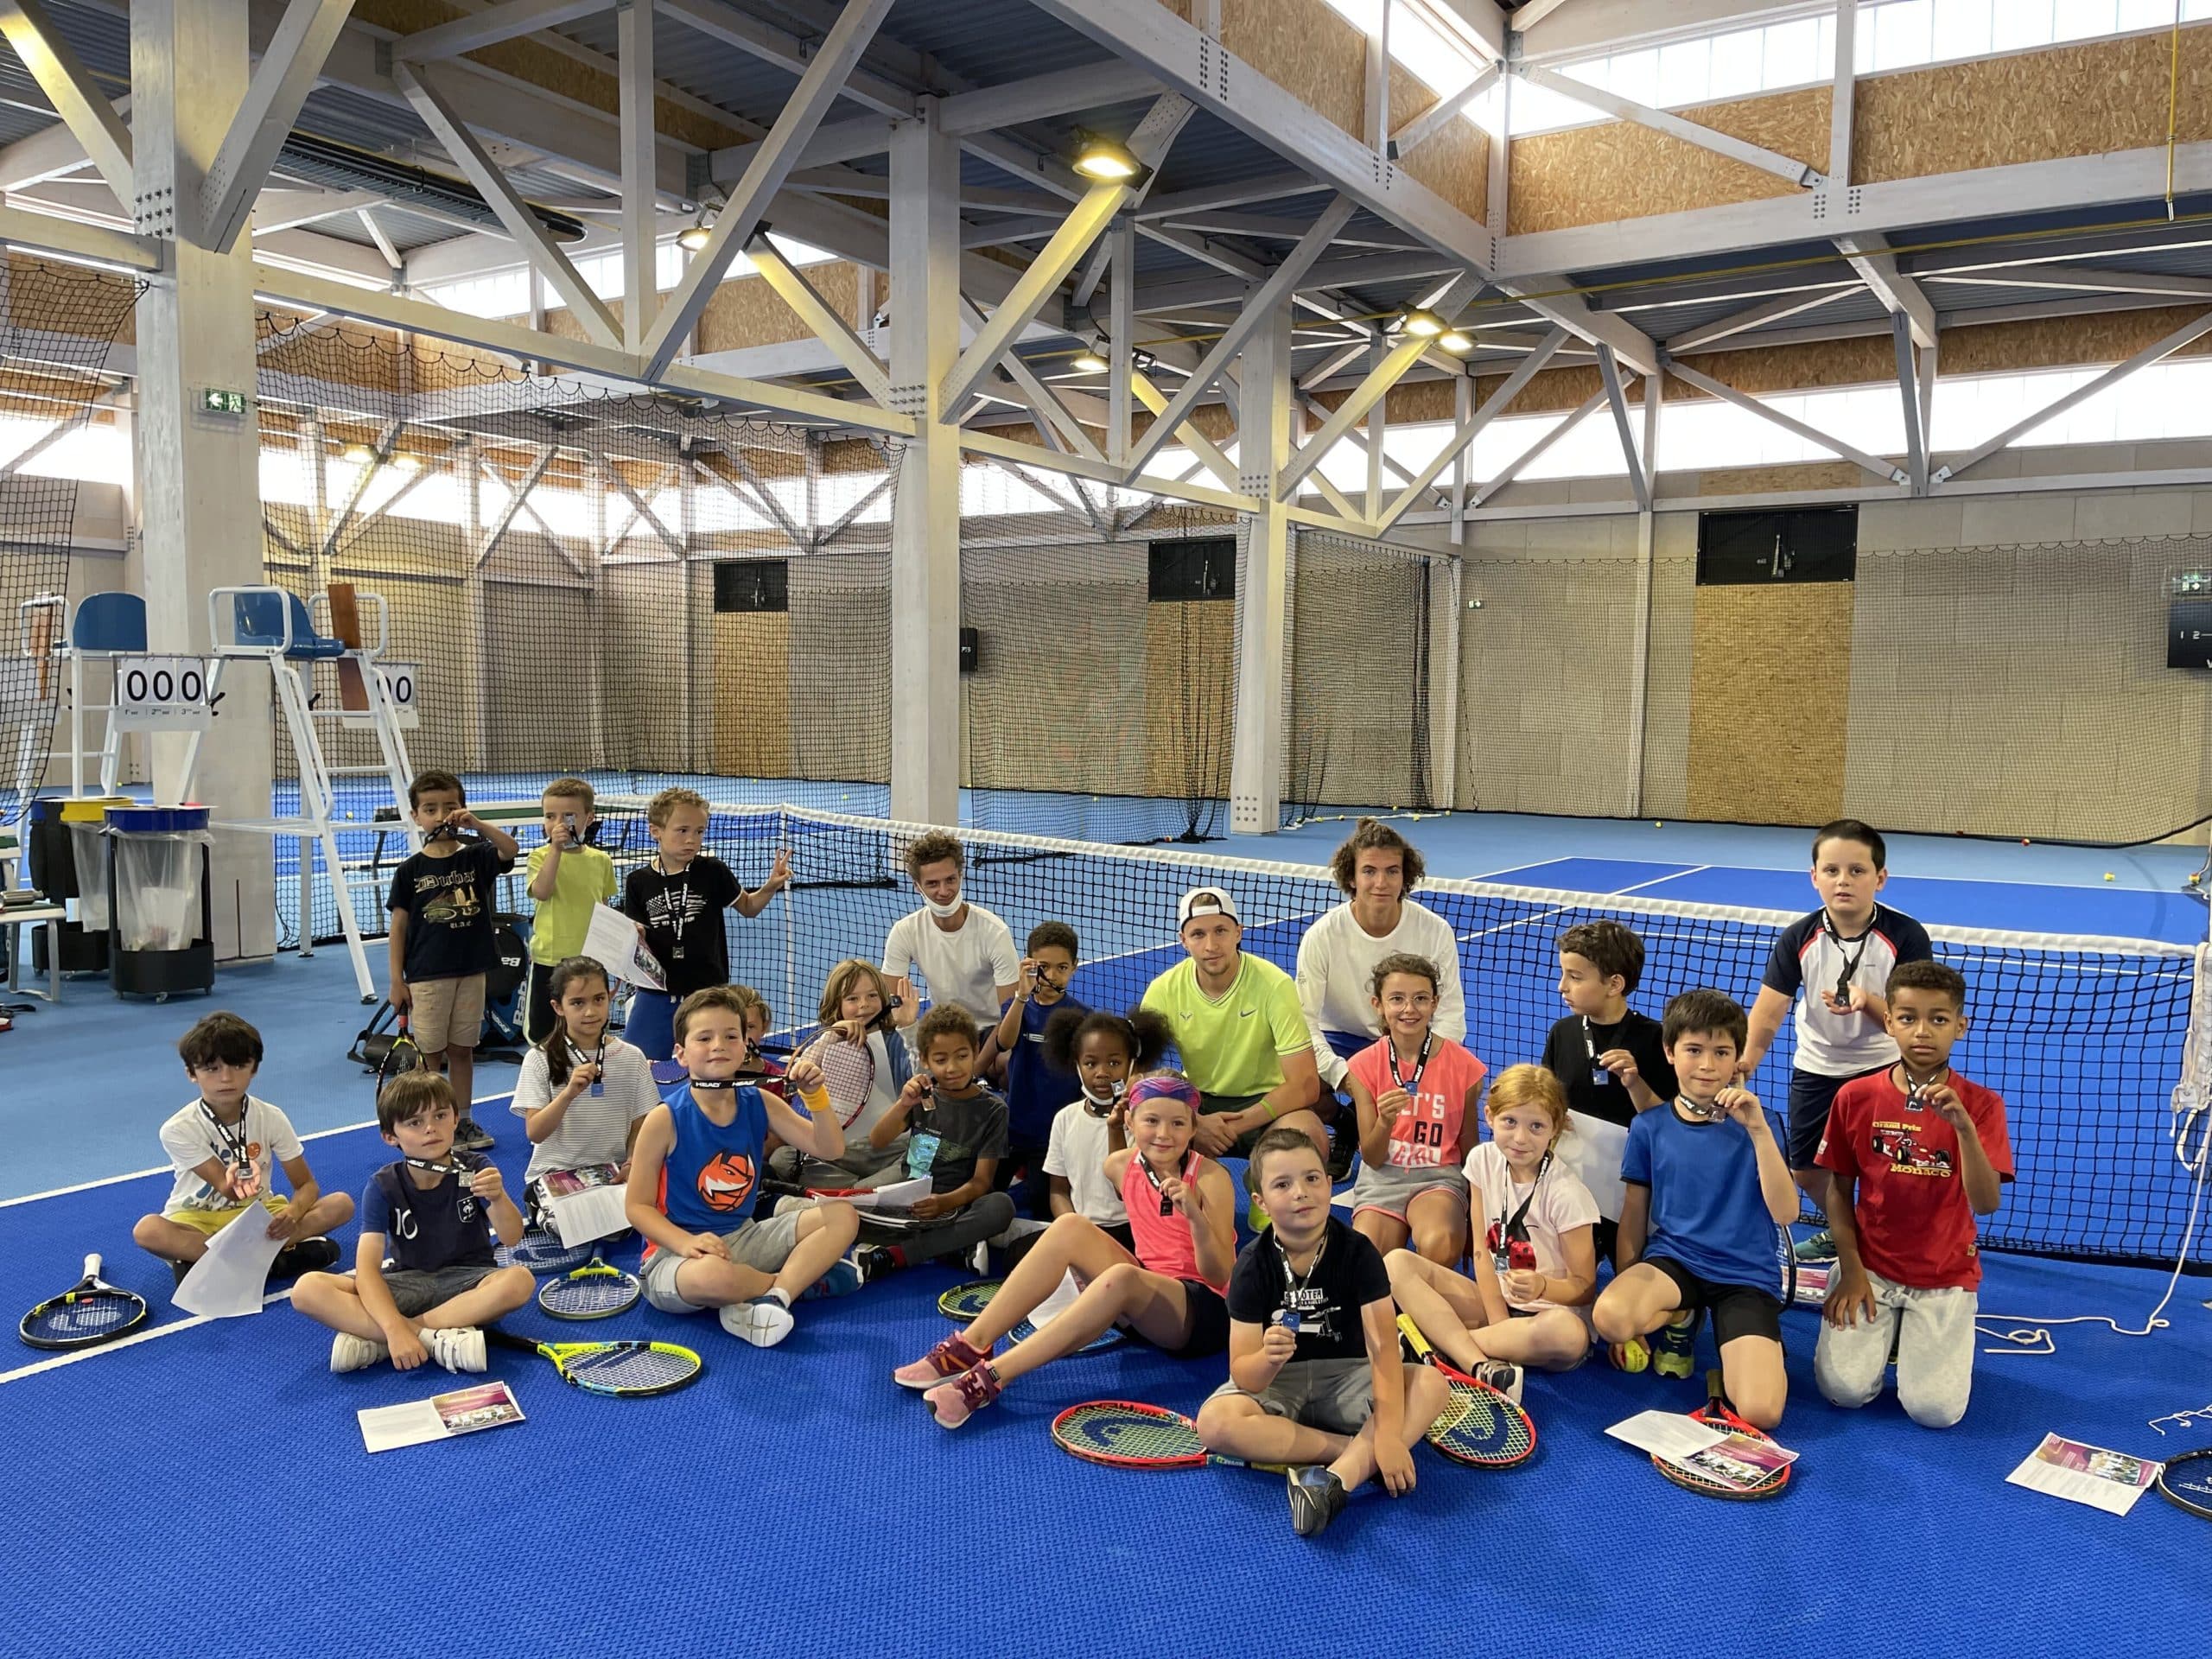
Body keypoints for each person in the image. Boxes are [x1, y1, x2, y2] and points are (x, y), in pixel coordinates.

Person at [896, 1073, 1238, 1427]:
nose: (1164, 1134)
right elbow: (1119, 1160)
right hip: (1147, 1301)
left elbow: (1221, 1276)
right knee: (1070, 1226)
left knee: (1120, 1277)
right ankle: (970, 1345)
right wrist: (1112, 1127)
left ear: (1194, 1128)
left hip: (1203, 1315)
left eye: (1178, 1123)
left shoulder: (1212, 1179)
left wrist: (1195, 1217)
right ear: (1131, 1122)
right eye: (1151, 1121)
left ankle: (994, 1376)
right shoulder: (1120, 1166)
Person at [1195, 1127, 1451, 1539]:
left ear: (1331, 1185)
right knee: (1215, 1424)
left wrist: (1386, 1431)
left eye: (1312, 1178)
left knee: (1431, 1384)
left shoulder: (1359, 1252)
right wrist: (1267, 1358)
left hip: (1348, 1377)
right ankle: (1357, 1454)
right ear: (1260, 1201)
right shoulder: (1251, 1266)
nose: (1301, 1192)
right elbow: (1244, 1375)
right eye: (1283, 1184)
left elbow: (1384, 1347)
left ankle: (1334, 1482)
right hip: (1279, 1385)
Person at [1815, 961, 2012, 1429]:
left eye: (1939, 1019)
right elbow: (1838, 1191)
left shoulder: (1983, 1106)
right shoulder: (1855, 1098)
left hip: (1945, 1274)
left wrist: (1962, 1126)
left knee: (1935, 1413)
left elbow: (1985, 1203)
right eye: (1908, 1018)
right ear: (1889, 1023)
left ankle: (1916, 1330)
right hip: (1872, 1268)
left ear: (1960, 1026)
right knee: (1843, 1392)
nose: (1922, 1031)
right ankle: (1885, 1325)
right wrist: (1852, 1271)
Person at [1592, 989, 1798, 1429]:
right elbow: (1634, 1213)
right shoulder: (1649, 1126)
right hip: (1675, 1263)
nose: (1707, 1064)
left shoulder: (1766, 1125)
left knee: (1762, 1413)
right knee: (1610, 1318)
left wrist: (1759, 1132)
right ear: (1670, 1052)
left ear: (1737, 1057)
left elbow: (1786, 1214)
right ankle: (1683, 1314)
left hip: (1745, 1277)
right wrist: (1632, 1300)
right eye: (1694, 1050)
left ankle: (1738, 1344)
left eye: (1721, 1052)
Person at [1738, 819, 1933, 1260]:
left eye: (1857, 871)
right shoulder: (1798, 938)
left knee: (1887, 1164)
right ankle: (1848, 1227)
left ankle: (1890, 1237)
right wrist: (1745, 1064)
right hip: (1817, 1067)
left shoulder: (1906, 936)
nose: (1843, 880)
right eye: (1831, 871)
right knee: (1806, 1169)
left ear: (1880, 879)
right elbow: (1769, 1012)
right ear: (1815, 878)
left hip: (1885, 1068)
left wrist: (1866, 1001)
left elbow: (1913, 1021)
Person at [624, 987, 860, 1347]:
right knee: (714, 1278)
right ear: (681, 1055)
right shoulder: (664, 1119)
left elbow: (830, 1147)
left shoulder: (760, 1101)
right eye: (705, 1037)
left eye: (731, 1036)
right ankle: (798, 1281)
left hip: (744, 1236)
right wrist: (687, 1244)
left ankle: (776, 1296)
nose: (719, 1044)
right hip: (675, 1257)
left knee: (843, 1215)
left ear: (744, 1046)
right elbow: (636, 1207)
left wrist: (815, 1096)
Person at [291, 1071, 533, 1375]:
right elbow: (366, 1270)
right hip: (407, 1282)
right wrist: (394, 1329)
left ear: (456, 1119)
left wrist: (499, 1199)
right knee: (306, 1289)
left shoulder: (474, 1168)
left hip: (469, 1283)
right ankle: (433, 1341)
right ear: (390, 1136)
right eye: (414, 1122)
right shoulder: (383, 1185)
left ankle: (385, 1340)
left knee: (519, 1281)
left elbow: (511, 1237)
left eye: (440, 1115)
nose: (430, 1128)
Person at [1385, 1064, 1599, 1398]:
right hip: (1492, 1304)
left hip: (1548, 1317)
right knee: (1397, 1263)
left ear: (1554, 1129)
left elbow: (1584, 1289)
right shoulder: (1482, 1160)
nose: (1520, 1138)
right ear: (1489, 1116)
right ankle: (1477, 1363)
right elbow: (1482, 1253)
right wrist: (1499, 1319)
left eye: (1536, 1126)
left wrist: (1544, 1286)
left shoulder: (1568, 1195)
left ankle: (1434, 1348)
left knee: (1568, 1334)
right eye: (1510, 1122)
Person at [132, 1012, 353, 1287]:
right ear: (191, 1073)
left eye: (238, 1066)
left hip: (257, 1215)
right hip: (197, 1219)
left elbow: (306, 1185)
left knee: (342, 1204)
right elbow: (227, 1188)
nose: (226, 1078)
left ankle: (218, 1263)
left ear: (254, 1068)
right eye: (212, 1069)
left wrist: (292, 1214)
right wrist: (233, 1180)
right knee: (148, 1231)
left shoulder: (271, 1117)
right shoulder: (177, 1128)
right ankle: (273, 1260)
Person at [1140, 887, 1327, 1173]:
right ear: (1183, 941)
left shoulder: (1274, 984)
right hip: (1198, 1102)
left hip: (1266, 1102)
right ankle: (1202, 1194)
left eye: (1220, 931)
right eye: (1198, 934)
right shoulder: (1163, 991)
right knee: (1146, 1131)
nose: (1211, 945)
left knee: (1307, 1135)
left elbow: (1305, 1084)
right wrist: (1194, 1122)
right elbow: (1137, 1079)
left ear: (1238, 932)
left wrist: (1236, 1124)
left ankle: (1263, 1194)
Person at [385, 769, 519, 1152]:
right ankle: (428, 1123)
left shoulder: (476, 857)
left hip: (472, 971)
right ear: (416, 816)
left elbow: (509, 850)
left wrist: (474, 823)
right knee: (431, 1056)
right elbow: (398, 929)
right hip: (427, 976)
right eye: (430, 809)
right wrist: (397, 979)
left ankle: (461, 1120)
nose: (440, 815)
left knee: (462, 1050)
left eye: (450, 806)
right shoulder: (409, 871)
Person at [1294, 818, 1465, 1096]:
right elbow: (1304, 1022)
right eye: (1369, 871)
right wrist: (1344, 1077)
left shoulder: (1435, 931)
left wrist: (1424, 1068)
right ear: (1352, 877)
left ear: (1404, 876)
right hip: (1340, 1040)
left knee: (1464, 1082)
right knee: (1296, 1080)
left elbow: (1450, 1016)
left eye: (1392, 871)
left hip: (1409, 1038)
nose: (1381, 883)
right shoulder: (1321, 936)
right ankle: (1345, 1121)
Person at [620, 786, 791, 1061]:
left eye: (699, 832)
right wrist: (632, 934)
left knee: (710, 1063)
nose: (692, 840)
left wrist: (770, 887)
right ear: (656, 831)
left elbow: (748, 907)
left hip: (708, 991)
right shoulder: (638, 881)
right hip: (656, 994)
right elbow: (635, 932)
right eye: (683, 830)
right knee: (635, 1062)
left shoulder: (713, 871)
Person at [1541, 920, 1675, 1268]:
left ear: (1614, 984)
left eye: (1575, 977)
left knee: (1633, 1279)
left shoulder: (1656, 1041)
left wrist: (1635, 1081)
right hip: (1572, 1182)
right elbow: (1547, 1101)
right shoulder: (1563, 1032)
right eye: (1563, 974)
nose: (1562, 987)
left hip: (1633, 1191)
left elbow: (1671, 1123)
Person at [854, 1006, 1017, 1276]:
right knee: (851, 1214)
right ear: (926, 1060)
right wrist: (904, 1103)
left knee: (1001, 1207)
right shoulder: (921, 1096)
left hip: (958, 1207)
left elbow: (981, 1183)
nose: (952, 1068)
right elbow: (878, 1140)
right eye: (941, 1060)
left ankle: (897, 1255)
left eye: (962, 1056)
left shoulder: (993, 1110)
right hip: (909, 1201)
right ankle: (952, 1249)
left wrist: (944, 1203)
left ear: (976, 1051)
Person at [1341, 952, 1483, 1264]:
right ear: (1378, 1004)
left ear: (1434, 1003)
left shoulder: (1466, 1069)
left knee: (1441, 1244)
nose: (1409, 1009)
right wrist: (1385, 1122)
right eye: (1397, 999)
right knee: (1365, 1257)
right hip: (1382, 1178)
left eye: (1420, 998)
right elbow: (1373, 1156)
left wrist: (1478, 1212)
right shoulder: (1362, 1067)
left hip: (1439, 1177)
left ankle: (1423, 1312)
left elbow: (1469, 1146)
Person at [509, 957, 658, 1234]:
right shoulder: (538, 1059)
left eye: (599, 999)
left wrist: (632, 1164)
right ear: (558, 1007)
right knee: (567, 1224)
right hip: (557, 1174)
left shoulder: (632, 1057)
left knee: (662, 1204)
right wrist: (568, 1094)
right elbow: (535, 1133)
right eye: (578, 1003)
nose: (590, 1011)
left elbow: (641, 1125)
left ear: (609, 998)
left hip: (614, 1173)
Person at [1039, 1007, 1173, 1254]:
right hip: (1082, 1228)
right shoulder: (1065, 1119)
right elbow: (1058, 1190)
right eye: (1090, 1063)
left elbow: (1123, 1191)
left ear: (1132, 1064)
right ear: (1077, 1065)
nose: (1102, 1072)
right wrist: (1071, 1227)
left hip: (1135, 1231)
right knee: (1017, 1256)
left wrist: (1117, 1125)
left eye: (1114, 1062)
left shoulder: (1147, 1122)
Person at [981, 920, 1087, 1222]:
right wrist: (1021, 996)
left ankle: (1027, 1181)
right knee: (984, 1192)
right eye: (1043, 967)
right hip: (1012, 1130)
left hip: (1052, 1139)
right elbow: (1004, 1042)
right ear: (1029, 966)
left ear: (1074, 967)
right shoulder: (1018, 1007)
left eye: (1061, 968)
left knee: (1043, 1205)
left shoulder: (1082, 1018)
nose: (1052, 975)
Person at [781, 957, 917, 1187]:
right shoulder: (828, 1041)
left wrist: (909, 1027)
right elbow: (793, 1079)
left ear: (884, 999)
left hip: (884, 1149)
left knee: (924, 1151)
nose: (864, 1004)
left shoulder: (896, 1040)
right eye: (852, 999)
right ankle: (864, 1191)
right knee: (782, 1159)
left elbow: (923, 1078)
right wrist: (834, 1032)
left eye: (872, 996)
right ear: (838, 1005)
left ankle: (853, 1193)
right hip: (838, 1151)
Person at [880, 831, 1019, 1031]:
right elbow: (892, 1007)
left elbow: (1009, 1017)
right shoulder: (904, 932)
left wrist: (980, 1061)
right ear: (917, 886)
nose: (944, 891)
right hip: (943, 1031)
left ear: (960, 876)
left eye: (950, 880)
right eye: (932, 884)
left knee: (1006, 1059)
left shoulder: (995, 933)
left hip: (992, 1031)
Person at [522, 777, 616, 1045]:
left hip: (590, 961)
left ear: (588, 818)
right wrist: (555, 849)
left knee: (590, 1031)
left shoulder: (601, 860)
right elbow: (542, 891)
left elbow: (604, 910)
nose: (559, 823)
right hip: (550, 960)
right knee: (545, 1035)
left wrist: (611, 955)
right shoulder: (540, 856)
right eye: (550, 816)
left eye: (569, 815)